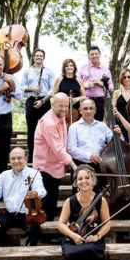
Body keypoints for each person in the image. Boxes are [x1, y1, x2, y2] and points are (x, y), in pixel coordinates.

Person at [33, 93, 77, 243]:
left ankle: (49, 232)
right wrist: (73, 165)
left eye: (66, 105)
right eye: (61, 106)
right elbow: (58, 148)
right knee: (46, 203)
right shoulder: (49, 122)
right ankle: (42, 235)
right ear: (53, 105)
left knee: (51, 201)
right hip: (46, 167)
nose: (64, 108)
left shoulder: (60, 116)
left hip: (55, 166)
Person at [57, 165, 110, 260]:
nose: (83, 181)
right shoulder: (69, 201)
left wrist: (97, 236)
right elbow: (61, 224)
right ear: (76, 182)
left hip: (93, 238)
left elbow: (107, 223)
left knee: (91, 249)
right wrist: (73, 235)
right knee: (71, 254)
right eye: (80, 179)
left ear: (93, 181)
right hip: (74, 238)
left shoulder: (101, 200)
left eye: (87, 178)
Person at [0, 147, 45, 247]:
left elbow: (42, 191)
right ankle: (8, 250)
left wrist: (36, 192)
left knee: (35, 228)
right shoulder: (4, 176)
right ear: (9, 161)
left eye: (19, 158)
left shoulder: (34, 174)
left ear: (26, 159)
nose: (16, 161)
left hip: (27, 214)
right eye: (13, 158)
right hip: (9, 215)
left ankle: (29, 255)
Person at [67, 98, 114, 193]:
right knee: (80, 196)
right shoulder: (74, 127)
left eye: (91, 108)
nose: (88, 111)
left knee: (98, 195)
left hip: (100, 166)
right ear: (80, 110)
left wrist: (119, 135)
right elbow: (71, 149)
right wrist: (90, 156)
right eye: (85, 108)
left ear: (95, 110)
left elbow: (114, 142)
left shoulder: (102, 126)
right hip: (80, 165)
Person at [21, 49, 55, 162]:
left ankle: (47, 154)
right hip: (31, 101)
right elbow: (21, 87)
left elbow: (53, 89)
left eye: (41, 56)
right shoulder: (27, 72)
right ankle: (31, 155)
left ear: (43, 58)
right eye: (37, 56)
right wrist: (33, 89)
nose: (39, 58)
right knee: (31, 129)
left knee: (47, 128)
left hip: (44, 102)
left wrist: (43, 101)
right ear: (33, 57)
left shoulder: (49, 72)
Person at [78, 46, 113, 121]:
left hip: (100, 102)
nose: (94, 56)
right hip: (85, 100)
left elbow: (111, 87)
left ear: (100, 54)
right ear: (89, 56)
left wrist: (102, 84)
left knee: (98, 123)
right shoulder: (82, 68)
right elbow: (76, 84)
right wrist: (86, 85)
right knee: (84, 123)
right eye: (92, 54)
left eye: (96, 54)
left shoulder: (106, 70)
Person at [113, 69, 130, 141]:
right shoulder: (116, 93)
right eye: (124, 77)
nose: (127, 79)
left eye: (129, 77)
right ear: (121, 78)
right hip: (120, 123)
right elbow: (113, 109)